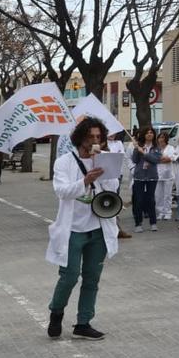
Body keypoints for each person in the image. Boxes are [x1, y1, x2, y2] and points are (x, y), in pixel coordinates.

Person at [46, 118, 121, 340]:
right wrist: (85, 180)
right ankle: (56, 312)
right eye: (91, 137)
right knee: (69, 276)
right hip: (72, 230)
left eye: (99, 137)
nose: (95, 141)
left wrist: (105, 170)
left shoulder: (104, 160)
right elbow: (61, 191)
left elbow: (112, 188)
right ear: (80, 138)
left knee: (92, 278)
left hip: (98, 228)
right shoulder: (64, 162)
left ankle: (83, 322)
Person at [130, 127, 167, 233]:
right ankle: (138, 223)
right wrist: (137, 149)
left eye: (151, 133)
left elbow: (155, 160)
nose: (149, 134)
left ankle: (153, 222)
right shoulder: (139, 146)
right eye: (147, 133)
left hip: (152, 176)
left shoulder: (156, 147)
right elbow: (135, 160)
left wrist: (144, 154)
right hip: (139, 176)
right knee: (139, 200)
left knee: (151, 199)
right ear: (143, 135)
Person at [155, 131, 178, 221]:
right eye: (160, 137)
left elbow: (172, 158)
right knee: (158, 195)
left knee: (167, 195)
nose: (161, 139)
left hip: (168, 174)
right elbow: (154, 159)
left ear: (166, 139)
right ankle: (160, 212)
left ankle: (167, 212)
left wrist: (165, 159)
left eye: (163, 138)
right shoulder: (156, 148)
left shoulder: (171, 148)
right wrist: (163, 159)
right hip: (157, 174)